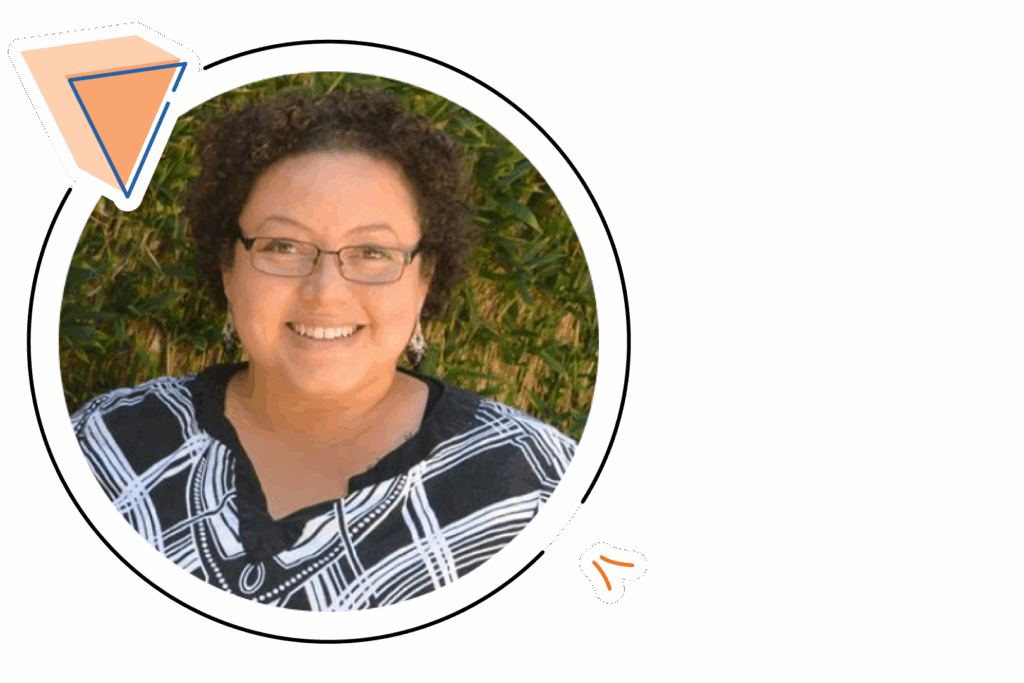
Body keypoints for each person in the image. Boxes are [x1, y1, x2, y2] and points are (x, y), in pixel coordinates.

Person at [70, 89, 577, 611]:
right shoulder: (104, 448)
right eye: (283, 247)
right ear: (229, 267)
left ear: (425, 277)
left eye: (373, 252)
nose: (325, 292)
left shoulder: (542, 491)